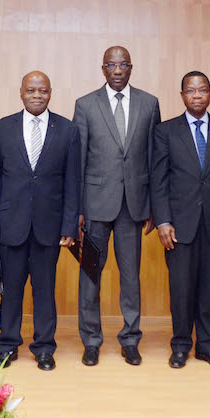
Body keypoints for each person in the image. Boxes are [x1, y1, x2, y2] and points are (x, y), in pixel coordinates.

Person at [0, 71, 81, 371]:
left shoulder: (67, 130)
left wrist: (68, 227)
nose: (36, 95)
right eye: (31, 90)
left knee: (44, 290)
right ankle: (7, 345)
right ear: (21, 92)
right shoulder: (2, 128)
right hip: (10, 224)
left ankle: (44, 348)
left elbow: (72, 183)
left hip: (48, 227)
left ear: (50, 93)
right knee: (11, 290)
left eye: (42, 90)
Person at [73, 46, 161, 366]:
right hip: (95, 206)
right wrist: (78, 210)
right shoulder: (85, 105)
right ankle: (92, 340)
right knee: (90, 276)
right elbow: (78, 161)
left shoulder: (149, 104)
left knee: (131, 276)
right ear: (103, 69)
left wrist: (153, 206)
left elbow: (154, 158)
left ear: (131, 67)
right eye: (112, 65)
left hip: (133, 206)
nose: (118, 70)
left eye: (123, 64)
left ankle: (130, 338)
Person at [150, 71, 210, 369]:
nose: (197, 95)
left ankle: (207, 345)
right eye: (191, 91)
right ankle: (180, 346)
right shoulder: (166, 132)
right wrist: (162, 220)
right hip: (178, 224)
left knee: (206, 286)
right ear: (182, 96)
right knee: (180, 287)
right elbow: (158, 180)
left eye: (202, 90)